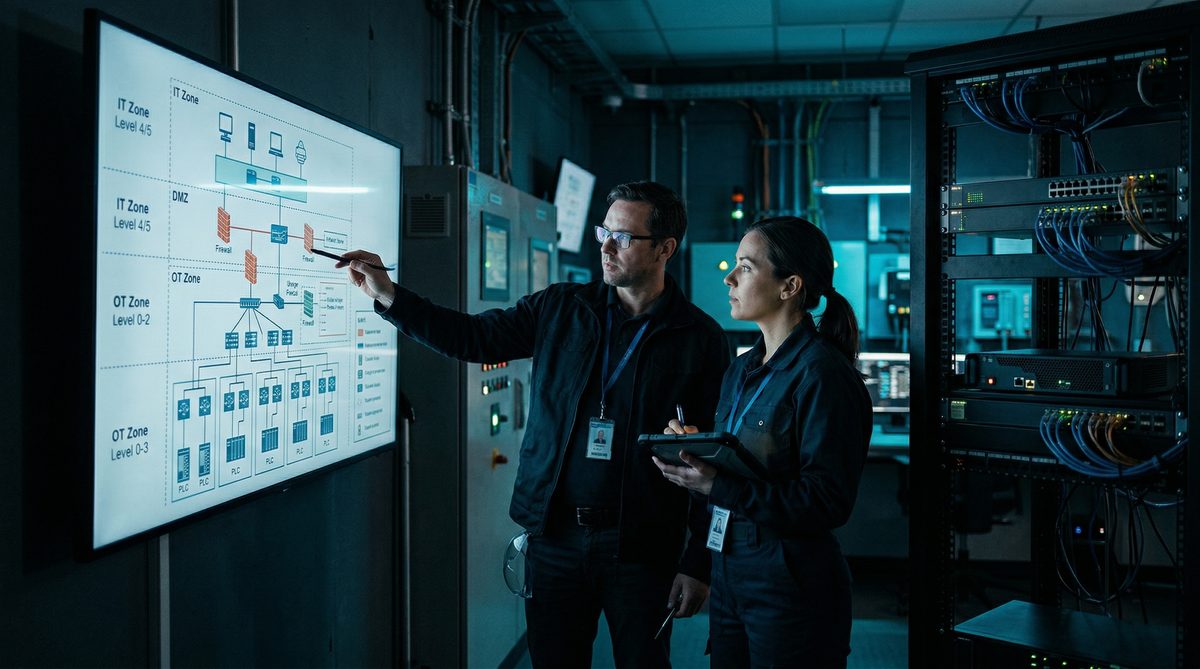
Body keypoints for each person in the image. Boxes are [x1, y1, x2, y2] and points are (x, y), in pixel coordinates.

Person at [339, 181, 730, 669]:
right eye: (603, 232)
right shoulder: (563, 308)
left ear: (665, 249)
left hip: (642, 548)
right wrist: (390, 296)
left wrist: (698, 564)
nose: (606, 247)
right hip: (556, 539)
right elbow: (472, 338)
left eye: (624, 238)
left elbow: (711, 460)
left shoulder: (699, 338)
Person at [654, 216, 872, 668]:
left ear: (789, 286)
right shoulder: (742, 369)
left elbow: (827, 501)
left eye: (746, 267)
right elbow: (747, 467)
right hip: (732, 571)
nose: (729, 278)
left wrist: (717, 485)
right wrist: (702, 455)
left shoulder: (823, 375)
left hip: (790, 582)